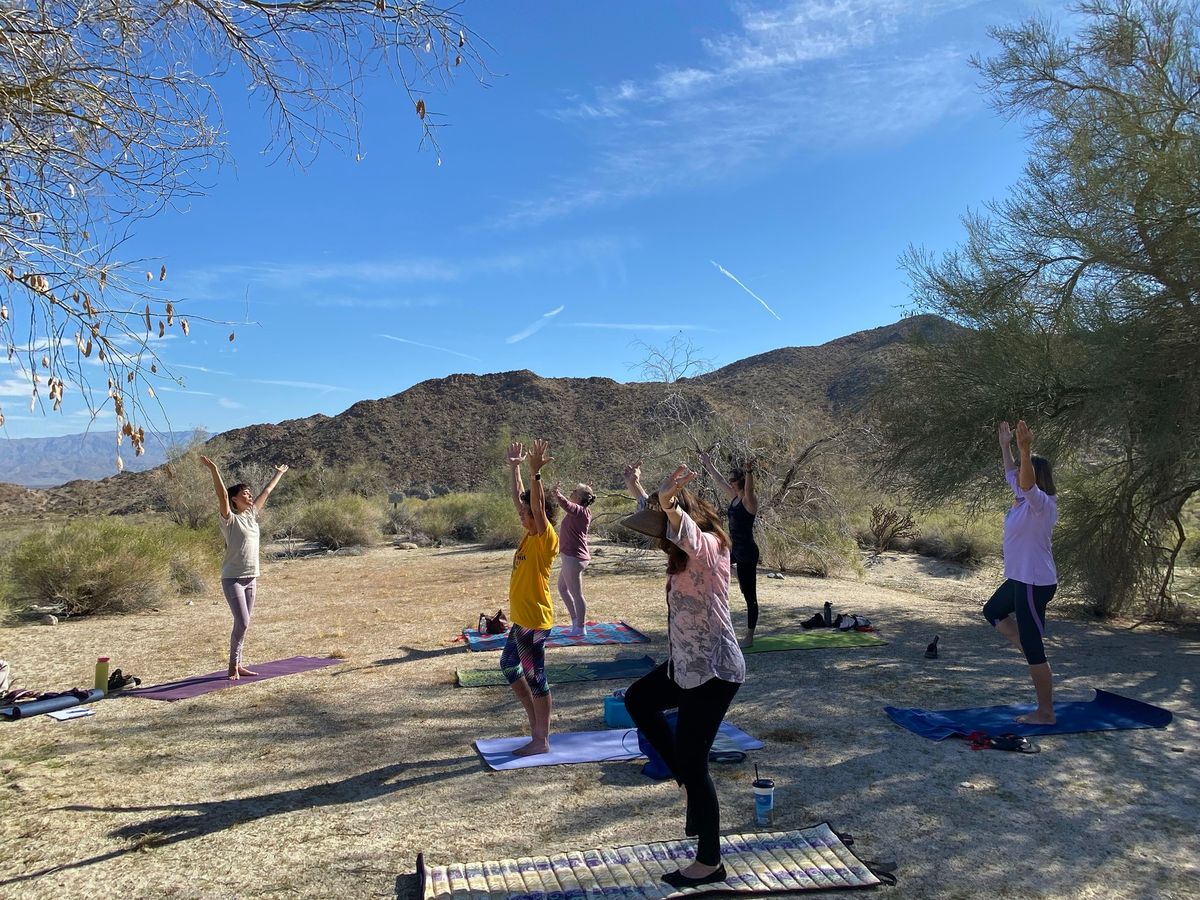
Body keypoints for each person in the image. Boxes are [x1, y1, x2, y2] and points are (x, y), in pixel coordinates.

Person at [623, 462, 746, 889]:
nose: (660, 541)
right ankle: (687, 779)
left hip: (714, 670)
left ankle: (710, 862)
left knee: (696, 765)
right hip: (684, 666)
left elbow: (688, 534)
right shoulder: (680, 557)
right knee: (638, 699)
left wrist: (672, 506)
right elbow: (663, 523)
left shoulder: (711, 547)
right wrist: (640, 489)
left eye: (665, 531)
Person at [983, 420, 1059, 724]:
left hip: (1034, 582)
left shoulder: (1042, 504)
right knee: (993, 611)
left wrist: (1024, 450)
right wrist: (1006, 447)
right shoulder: (1021, 497)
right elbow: (1013, 474)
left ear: (1036, 479)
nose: (1018, 477)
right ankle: (1028, 647)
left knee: (1035, 648)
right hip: (1019, 579)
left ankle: (1046, 712)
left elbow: (1026, 482)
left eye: (1026, 471)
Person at [199, 455, 288, 680]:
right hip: (233, 579)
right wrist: (214, 470)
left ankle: (239, 665)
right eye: (245, 494)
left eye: (249, 493)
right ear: (235, 500)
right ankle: (232, 666)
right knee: (243, 621)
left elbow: (266, 492)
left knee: (244, 625)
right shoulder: (230, 519)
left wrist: (278, 473)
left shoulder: (251, 516)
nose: (250, 496)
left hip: (251, 578)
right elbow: (220, 494)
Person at [501, 439, 560, 756]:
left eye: (527, 513)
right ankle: (535, 725)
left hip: (535, 621)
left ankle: (542, 739)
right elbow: (521, 501)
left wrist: (535, 474)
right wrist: (515, 470)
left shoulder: (545, 538)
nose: (522, 515)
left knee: (536, 677)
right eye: (522, 513)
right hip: (522, 620)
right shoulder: (529, 533)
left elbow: (536, 506)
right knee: (509, 667)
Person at [699, 451, 759, 647]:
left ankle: (749, 637)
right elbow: (718, 480)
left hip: (747, 552)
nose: (731, 482)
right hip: (734, 549)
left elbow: (749, 490)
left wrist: (749, 470)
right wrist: (708, 463)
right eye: (730, 479)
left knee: (749, 594)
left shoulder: (748, 501)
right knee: (710, 563)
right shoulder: (733, 497)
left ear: (741, 480)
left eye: (734, 479)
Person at [552, 482, 596, 636]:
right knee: (562, 589)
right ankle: (576, 621)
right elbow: (569, 506)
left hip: (574, 558)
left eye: (575, 491)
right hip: (571, 557)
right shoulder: (582, 511)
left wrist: (557, 494)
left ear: (578, 497)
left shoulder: (580, 511)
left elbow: (566, 505)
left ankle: (580, 627)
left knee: (577, 594)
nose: (571, 492)